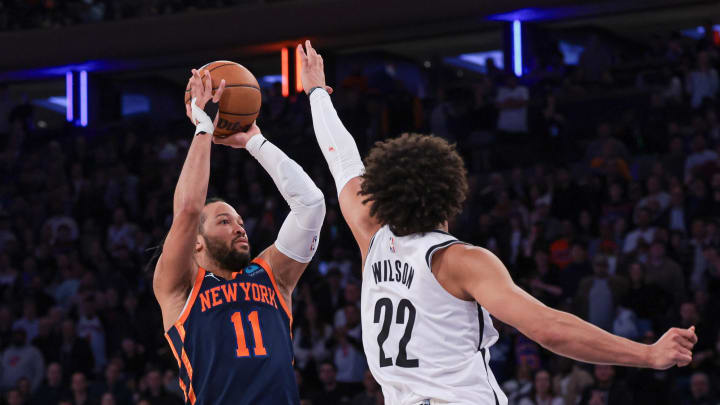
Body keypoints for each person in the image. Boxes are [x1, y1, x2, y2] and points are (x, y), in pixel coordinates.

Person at [298, 40, 698, 405]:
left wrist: (316, 93)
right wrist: (647, 354)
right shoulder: (459, 261)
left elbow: (343, 160)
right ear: (450, 193)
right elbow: (548, 328)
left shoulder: (371, 237)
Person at [151, 69, 325, 404]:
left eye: (240, 220)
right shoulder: (180, 285)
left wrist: (255, 142)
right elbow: (188, 210)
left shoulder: (272, 276)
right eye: (224, 221)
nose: (239, 226)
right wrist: (203, 127)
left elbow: (311, 205)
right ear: (197, 241)